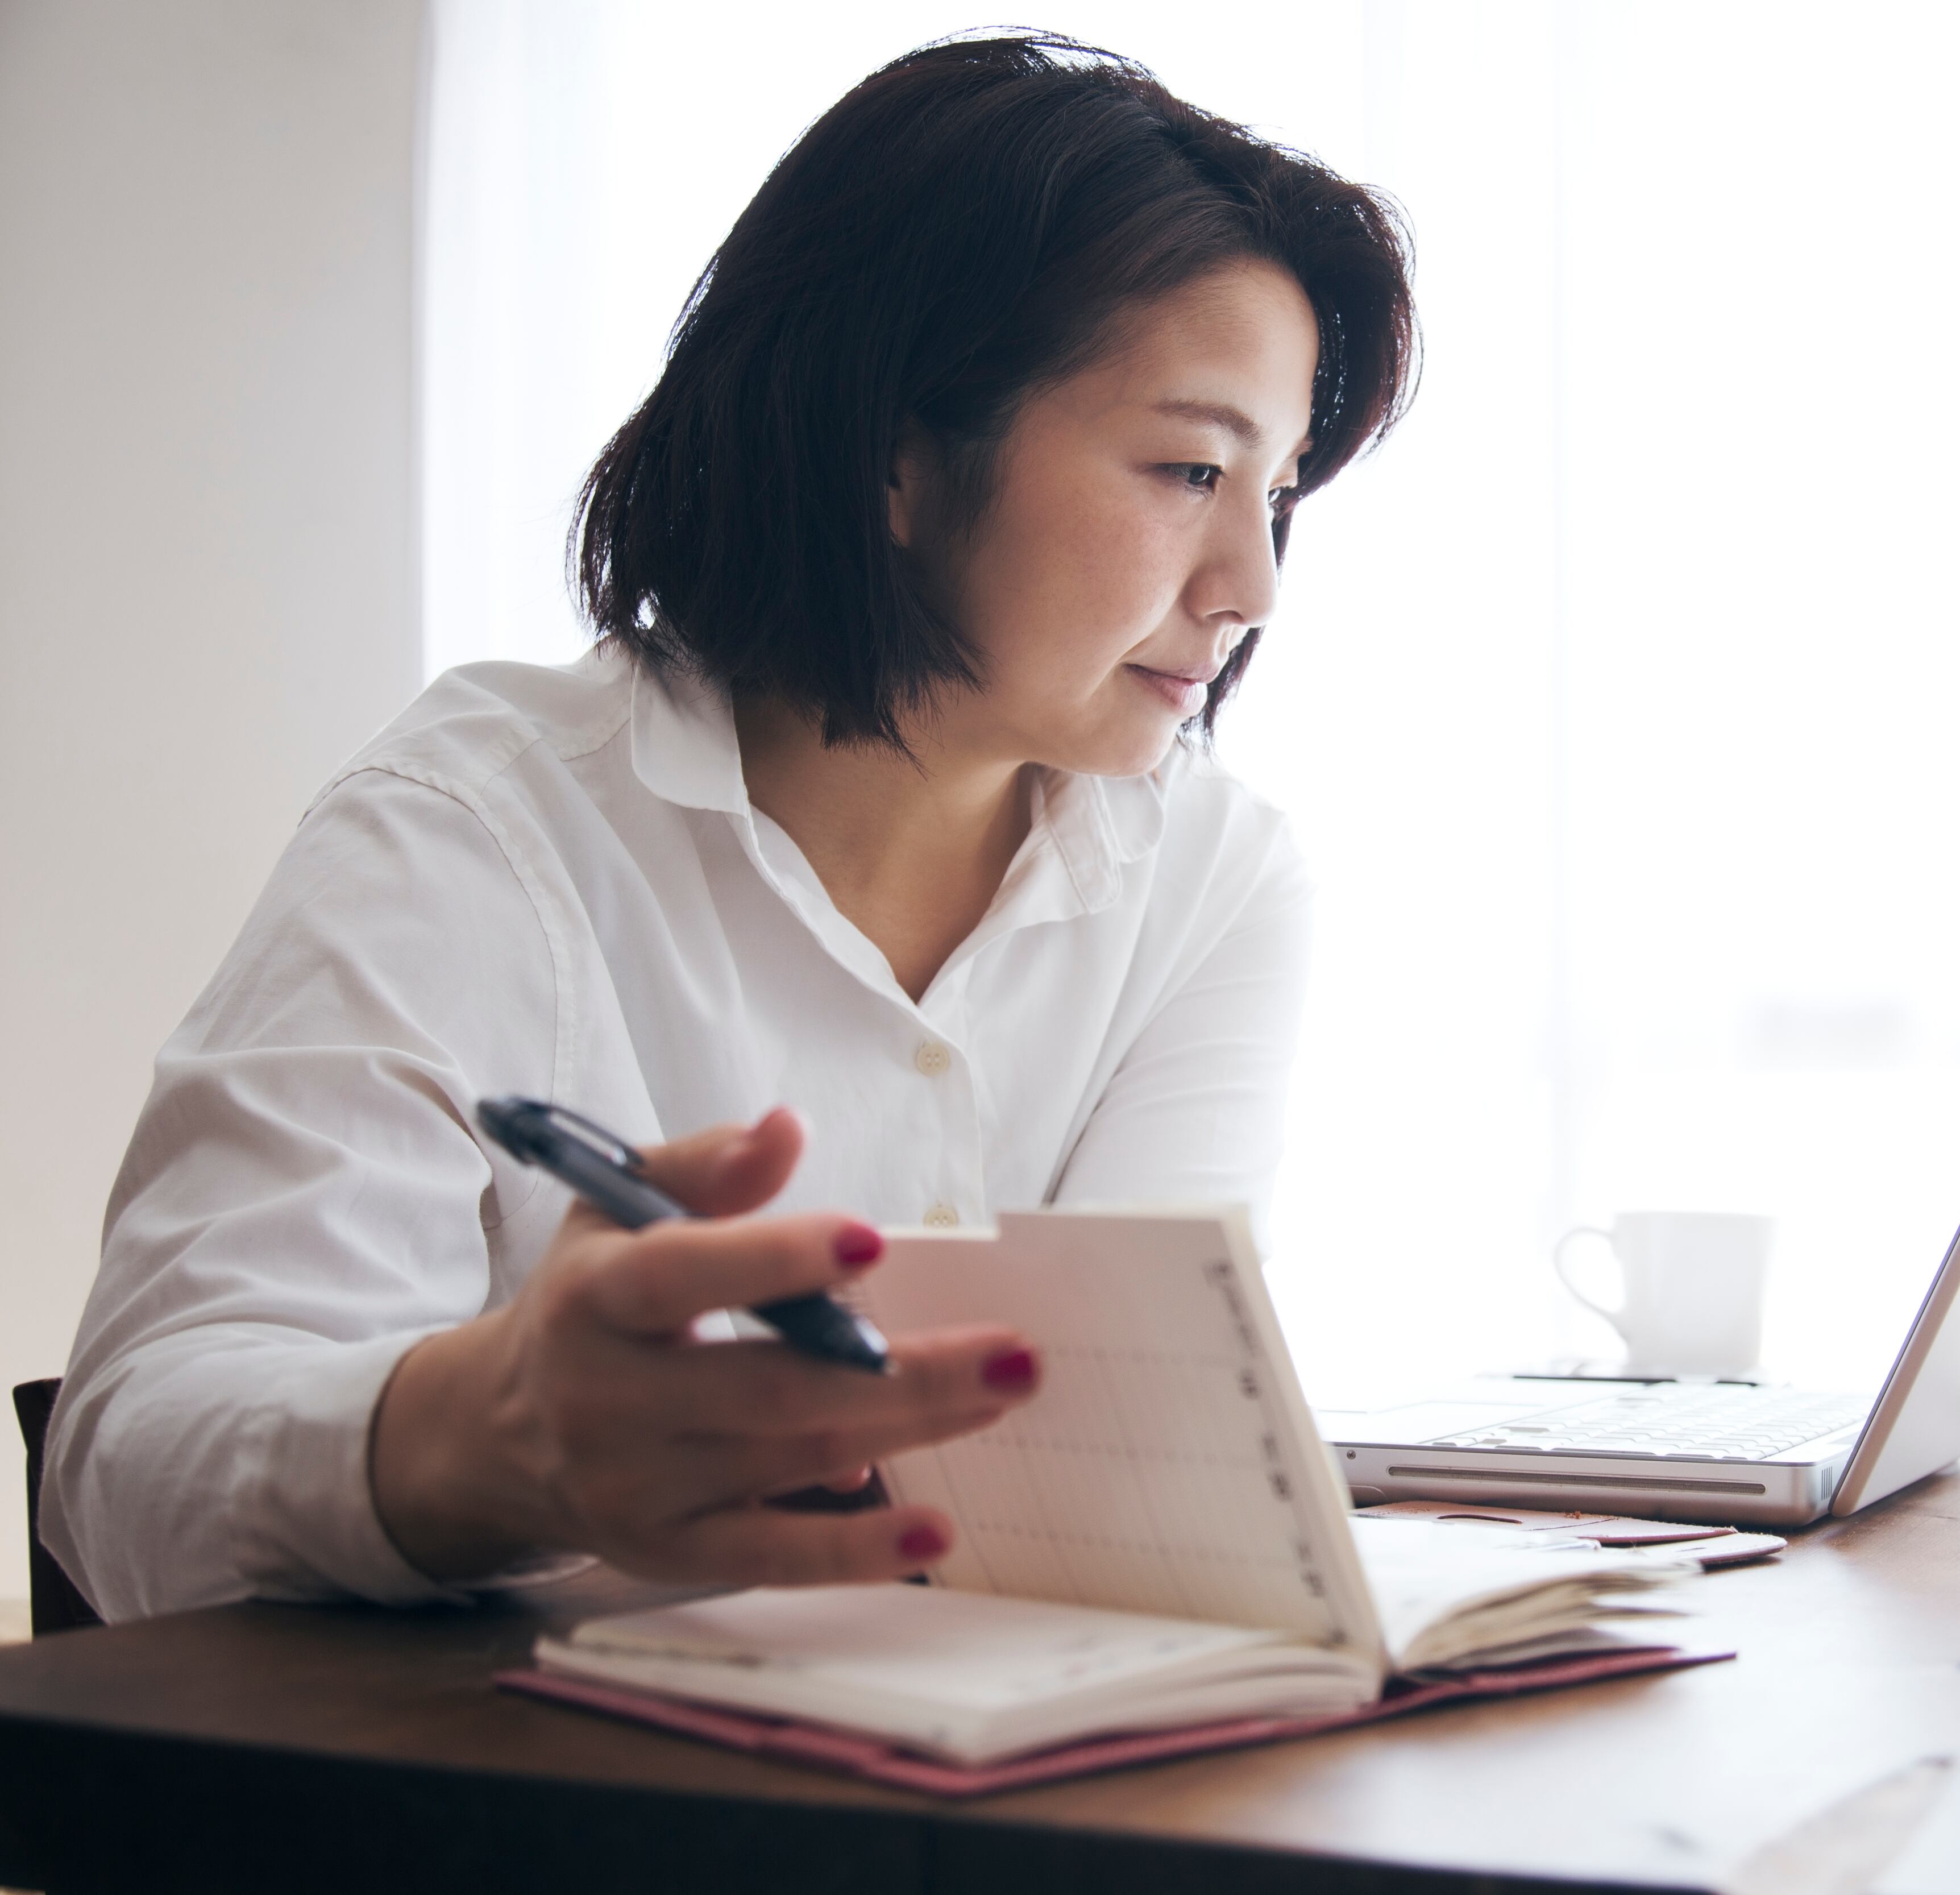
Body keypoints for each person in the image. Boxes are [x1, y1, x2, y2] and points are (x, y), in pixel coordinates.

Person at [41, 34, 1416, 1622]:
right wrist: (492, 1437)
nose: (1253, 590)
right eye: (1190, 469)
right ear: (894, 454)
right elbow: (127, 1471)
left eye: (1281, 492)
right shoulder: (471, 837)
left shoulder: (1211, 880)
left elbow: (1111, 1463)